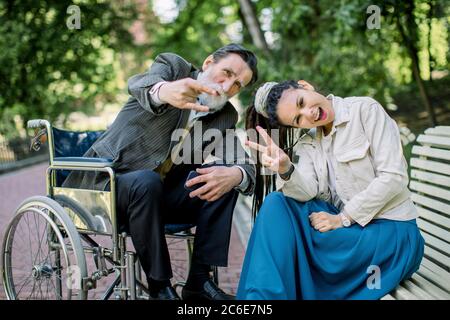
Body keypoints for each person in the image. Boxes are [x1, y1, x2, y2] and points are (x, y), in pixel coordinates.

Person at [63, 44, 258, 300]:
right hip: (106, 187)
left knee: (221, 179)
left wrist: (237, 175)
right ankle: (159, 287)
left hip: (158, 197)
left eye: (237, 84)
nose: (228, 85)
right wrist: (165, 91)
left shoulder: (224, 116)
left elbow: (244, 165)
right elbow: (141, 84)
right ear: (209, 62)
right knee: (147, 181)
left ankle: (198, 283)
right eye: (227, 72)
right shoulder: (174, 68)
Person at [237, 80, 424, 299]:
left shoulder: (364, 110)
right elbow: (307, 191)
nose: (309, 113)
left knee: (292, 250)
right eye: (298, 119)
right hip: (351, 234)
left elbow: (394, 177)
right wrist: (286, 168)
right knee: (276, 204)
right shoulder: (308, 142)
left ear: (306, 86)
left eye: (301, 102)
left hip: (391, 233)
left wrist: (343, 218)